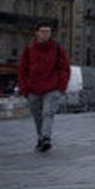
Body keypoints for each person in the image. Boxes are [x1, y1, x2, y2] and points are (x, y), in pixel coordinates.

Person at [17, 21, 71, 153]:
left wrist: (61, 87)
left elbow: (65, 68)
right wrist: (25, 88)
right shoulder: (29, 50)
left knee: (47, 112)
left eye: (48, 32)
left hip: (52, 87)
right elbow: (22, 70)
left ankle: (46, 137)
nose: (45, 34)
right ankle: (41, 137)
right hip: (33, 89)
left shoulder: (58, 49)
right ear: (37, 33)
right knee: (37, 115)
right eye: (43, 31)